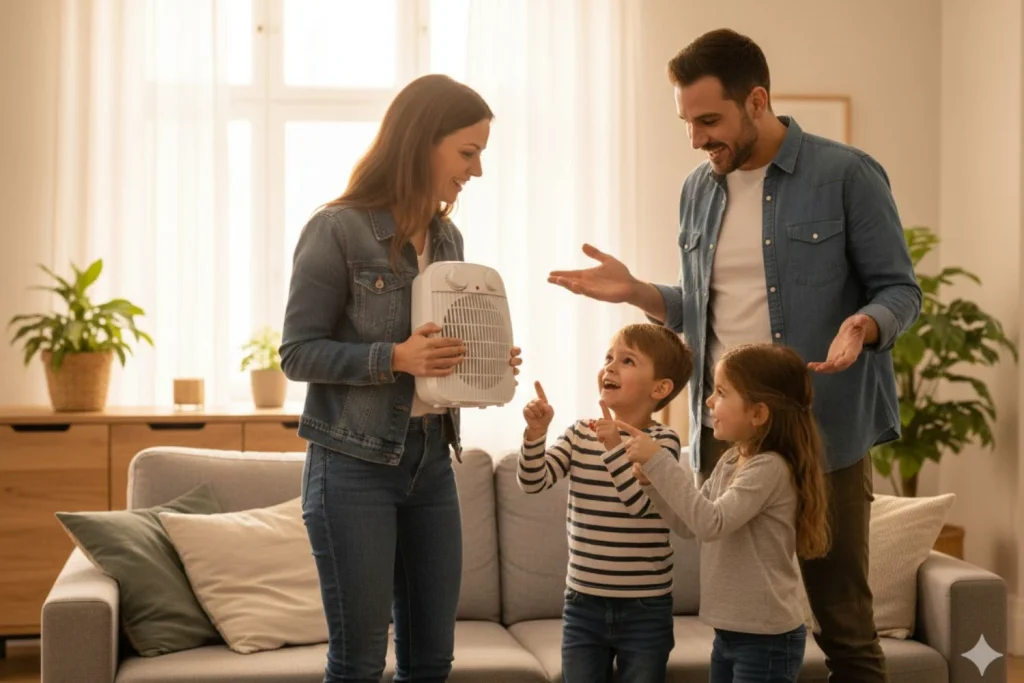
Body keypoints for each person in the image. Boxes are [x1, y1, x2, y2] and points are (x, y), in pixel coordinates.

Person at [547, 28, 922, 683]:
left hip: (823, 431)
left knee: (845, 623)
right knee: (740, 620)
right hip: (727, 438)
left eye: (709, 120)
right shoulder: (699, 189)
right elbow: (702, 307)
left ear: (756, 101)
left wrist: (863, 322)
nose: (696, 138)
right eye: (687, 122)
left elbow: (900, 288)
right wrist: (638, 291)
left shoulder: (846, 175)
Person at [280, 74, 523, 683]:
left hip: (431, 463)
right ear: (422, 142)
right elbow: (297, 353)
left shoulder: (448, 238)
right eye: (468, 153)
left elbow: (435, 352)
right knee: (360, 663)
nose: (476, 171)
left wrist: (483, 363)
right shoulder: (336, 229)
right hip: (351, 466)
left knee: (431, 663)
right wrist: (394, 358)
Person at [622, 343, 830, 683]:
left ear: (758, 413)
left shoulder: (770, 469)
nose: (708, 401)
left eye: (720, 392)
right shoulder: (734, 459)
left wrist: (661, 461)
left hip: (766, 639)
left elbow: (711, 523)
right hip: (732, 632)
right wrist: (652, 484)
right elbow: (692, 525)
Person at [518, 323, 692, 683]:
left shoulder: (662, 441)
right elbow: (533, 481)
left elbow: (638, 503)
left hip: (647, 607)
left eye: (627, 361)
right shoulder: (580, 432)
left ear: (659, 388)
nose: (610, 367)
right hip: (584, 603)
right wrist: (535, 436)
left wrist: (613, 447)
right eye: (609, 357)